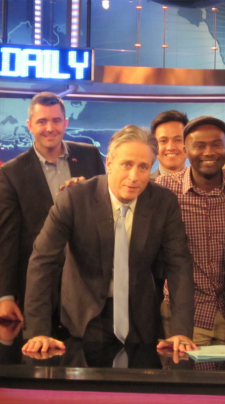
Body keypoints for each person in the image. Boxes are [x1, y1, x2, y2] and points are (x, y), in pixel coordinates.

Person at [22, 125, 197, 353]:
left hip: (140, 319)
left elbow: (179, 266)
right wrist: (38, 331)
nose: (134, 177)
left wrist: (181, 331)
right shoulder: (75, 198)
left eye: (143, 167)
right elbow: (42, 262)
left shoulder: (163, 202)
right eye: (127, 165)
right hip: (81, 320)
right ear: (109, 163)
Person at [0, 92, 105, 321]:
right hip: (38, 286)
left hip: (88, 283)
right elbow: (7, 238)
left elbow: (105, 213)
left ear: (65, 123)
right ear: (29, 126)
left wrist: (84, 198)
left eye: (55, 121)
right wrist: (5, 297)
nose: (50, 128)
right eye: (42, 121)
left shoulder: (90, 155)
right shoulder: (11, 173)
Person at [156, 116, 225, 343]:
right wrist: (81, 186)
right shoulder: (164, 188)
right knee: (182, 378)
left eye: (216, 144)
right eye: (199, 146)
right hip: (183, 319)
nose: (209, 152)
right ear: (185, 150)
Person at [150, 110, 189, 180]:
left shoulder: (204, 184)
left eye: (178, 140)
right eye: (163, 141)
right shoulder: (143, 185)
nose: (170, 147)